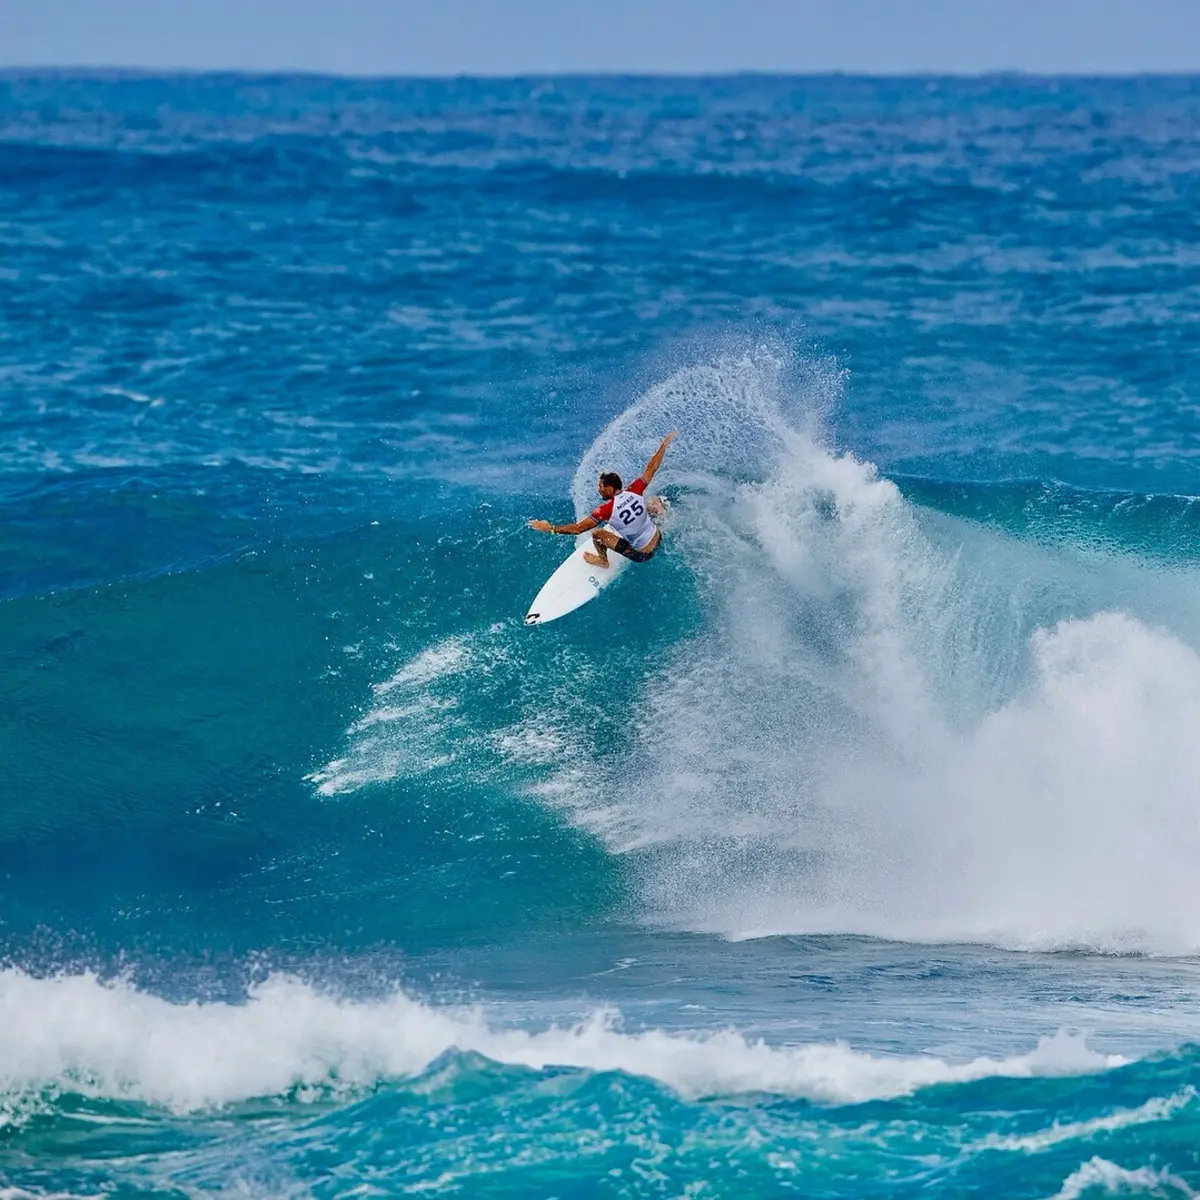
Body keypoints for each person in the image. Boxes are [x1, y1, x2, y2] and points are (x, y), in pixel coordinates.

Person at [528, 431, 678, 568]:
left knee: (597, 534)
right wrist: (664, 445)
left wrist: (551, 528)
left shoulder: (605, 510)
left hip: (643, 554)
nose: (598, 489)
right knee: (652, 501)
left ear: (610, 488)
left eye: (601, 486)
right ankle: (663, 521)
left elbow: (578, 528)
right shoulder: (635, 489)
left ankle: (603, 561)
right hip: (658, 537)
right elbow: (652, 467)